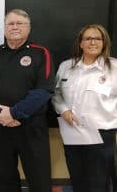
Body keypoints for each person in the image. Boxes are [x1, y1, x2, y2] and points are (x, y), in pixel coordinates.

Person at [0, 9, 55, 192]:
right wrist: (0, 114)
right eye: (10, 24)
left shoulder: (41, 54)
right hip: (1, 125)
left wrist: (13, 112)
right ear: (4, 29)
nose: (14, 27)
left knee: (39, 178)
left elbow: (43, 90)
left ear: (29, 28)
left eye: (20, 23)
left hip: (32, 126)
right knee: (3, 177)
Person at [52, 24, 117, 192]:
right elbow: (56, 94)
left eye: (97, 38)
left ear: (104, 42)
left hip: (101, 136)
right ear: (80, 43)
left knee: (99, 183)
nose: (92, 42)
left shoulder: (114, 68)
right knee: (78, 179)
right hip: (72, 133)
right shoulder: (66, 67)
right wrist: (64, 109)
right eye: (87, 38)